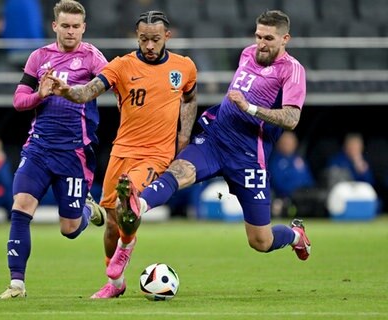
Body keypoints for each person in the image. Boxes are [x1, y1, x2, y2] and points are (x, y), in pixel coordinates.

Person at [109, 10, 312, 297]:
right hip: (216, 140)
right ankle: (137, 206)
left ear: (285, 39)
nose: (261, 43)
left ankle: (295, 236)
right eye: (258, 36)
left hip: (248, 157)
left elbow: (291, 119)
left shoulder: (292, 71)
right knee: (178, 172)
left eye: (268, 38)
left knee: (260, 241)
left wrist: (250, 109)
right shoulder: (247, 54)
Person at [48, 10, 198, 298]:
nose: (150, 46)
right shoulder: (121, 66)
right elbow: (88, 91)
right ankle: (115, 284)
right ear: (137, 37)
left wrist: (183, 135)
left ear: (167, 36)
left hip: (156, 155)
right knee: (111, 223)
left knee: (128, 200)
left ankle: (126, 249)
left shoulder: (184, 67)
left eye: (155, 40)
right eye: (144, 40)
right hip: (122, 151)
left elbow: (190, 97)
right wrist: (67, 91)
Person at [0, 0, 108, 300]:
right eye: (65, 26)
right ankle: (17, 283)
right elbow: (19, 101)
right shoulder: (39, 58)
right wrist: (39, 94)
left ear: (83, 28)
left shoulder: (93, 58)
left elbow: (112, 82)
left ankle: (88, 209)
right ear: (54, 26)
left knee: (69, 229)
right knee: (21, 206)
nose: (70, 32)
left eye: (76, 27)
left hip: (74, 153)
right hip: (39, 148)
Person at [268, 130, 315, 217]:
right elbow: (277, 182)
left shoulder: (299, 160)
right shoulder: (275, 161)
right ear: (279, 143)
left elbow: (309, 179)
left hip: (304, 196)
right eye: (285, 142)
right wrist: (294, 190)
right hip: (286, 197)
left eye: (291, 141)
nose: (288, 144)